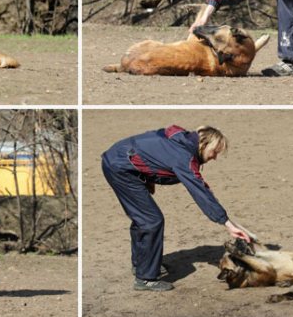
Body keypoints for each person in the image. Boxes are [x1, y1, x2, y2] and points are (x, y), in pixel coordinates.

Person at [101, 125, 252, 292]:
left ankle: (142, 265)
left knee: (144, 219)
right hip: (120, 168)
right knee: (151, 220)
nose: (215, 157)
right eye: (215, 151)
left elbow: (151, 147)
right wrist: (227, 223)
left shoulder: (182, 140)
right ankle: (145, 278)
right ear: (204, 144)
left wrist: (146, 177)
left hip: (119, 160)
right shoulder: (184, 157)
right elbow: (200, 191)